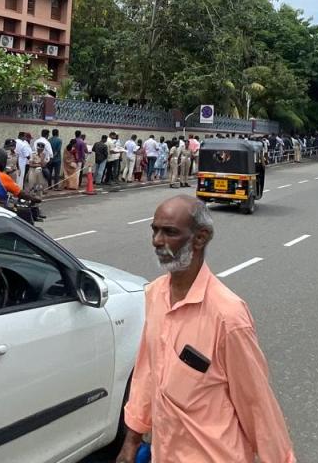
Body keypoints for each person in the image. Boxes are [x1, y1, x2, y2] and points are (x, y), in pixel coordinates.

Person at [115, 196, 295, 463]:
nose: (157, 241)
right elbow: (147, 373)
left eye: (169, 232)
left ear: (200, 238)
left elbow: (257, 404)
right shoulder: (155, 295)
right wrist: (132, 440)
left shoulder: (228, 316)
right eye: (155, 231)